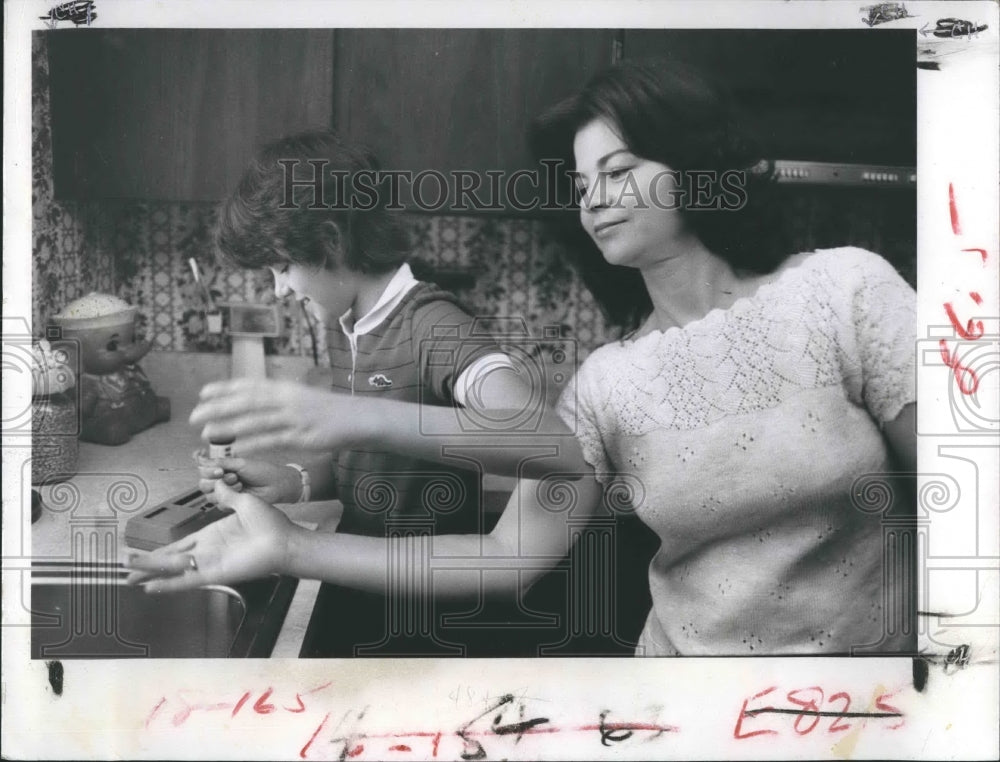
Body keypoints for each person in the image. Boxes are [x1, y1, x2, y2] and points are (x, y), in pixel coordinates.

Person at [128, 60, 917, 656]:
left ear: (697, 167)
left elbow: (967, 498)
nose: (596, 197)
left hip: (870, 698)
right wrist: (291, 542)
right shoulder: (608, 383)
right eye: (582, 183)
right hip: (684, 701)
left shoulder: (844, 291)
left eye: (620, 170)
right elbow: (503, 558)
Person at [186, 130, 582, 656]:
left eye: (281, 267)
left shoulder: (432, 323)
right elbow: (375, 456)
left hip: (424, 614)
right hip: (356, 581)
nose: (279, 287)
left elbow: (546, 438)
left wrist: (358, 414)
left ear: (329, 241)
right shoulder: (345, 323)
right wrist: (292, 482)